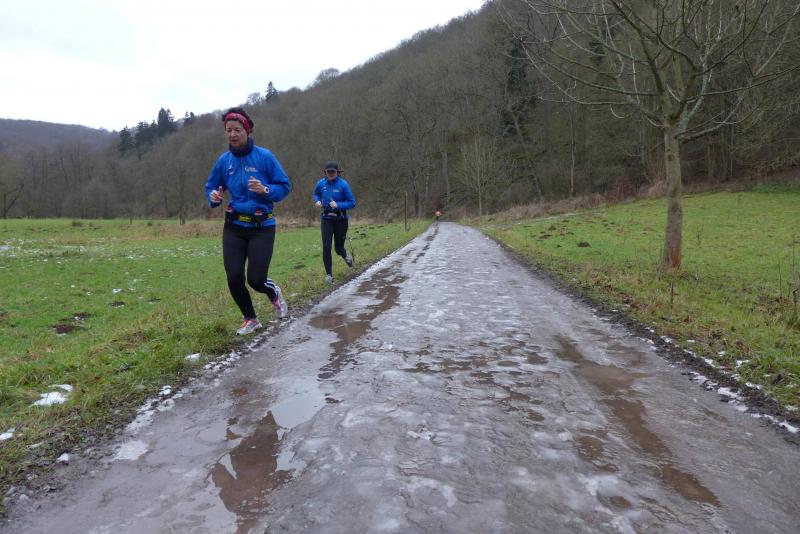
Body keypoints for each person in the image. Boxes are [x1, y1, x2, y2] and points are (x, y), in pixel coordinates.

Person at [205, 107, 291, 335]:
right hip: (234, 227)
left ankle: (274, 293)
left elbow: (284, 186)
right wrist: (213, 197)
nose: (233, 134)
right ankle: (250, 319)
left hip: (262, 226)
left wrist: (265, 189)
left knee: (256, 279)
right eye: (228, 130)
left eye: (237, 130)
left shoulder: (265, 157)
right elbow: (211, 186)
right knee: (234, 277)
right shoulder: (224, 161)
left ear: (247, 130)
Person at [312, 161, 356, 283]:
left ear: (337, 172)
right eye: (328, 172)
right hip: (326, 219)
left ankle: (346, 256)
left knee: (338, 248)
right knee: (326, 246)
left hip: (341, 220)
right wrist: (317, 201)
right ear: (325, 172)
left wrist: (338, 205)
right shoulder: (320, 183)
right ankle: (329, 275)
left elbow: (352, 202)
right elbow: (316, 194)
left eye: (333, 171)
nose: (331, 173)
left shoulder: (343, 185)